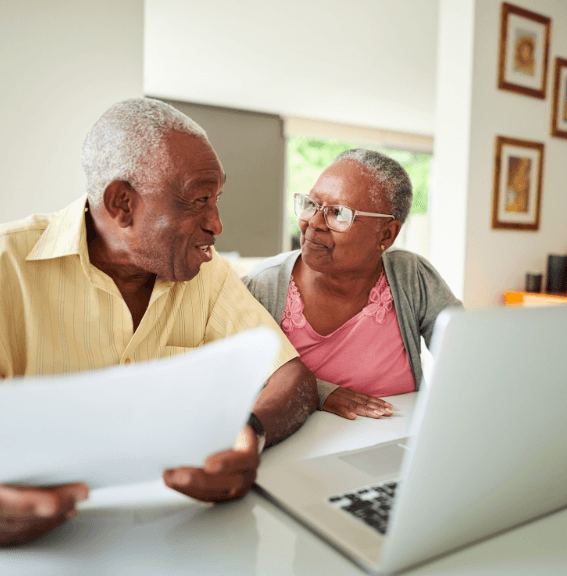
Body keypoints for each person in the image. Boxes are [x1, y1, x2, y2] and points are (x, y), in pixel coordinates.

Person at [0, 98, 318, 546]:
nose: (217, 224)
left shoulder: (208, 274)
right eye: (198, 200)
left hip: (185, 537)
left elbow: (292, 377)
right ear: (122, 204)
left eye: (218, 198)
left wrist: (250, 432)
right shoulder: (6, 267)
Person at [243, 149, 462, 420]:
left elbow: (468, 356)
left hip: (396, 443)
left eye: (337, 213)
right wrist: (321, 393)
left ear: (387, 234)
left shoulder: (411, 276)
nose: (313, 222)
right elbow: (240, 378)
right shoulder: (263, 286)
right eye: (312, 203)